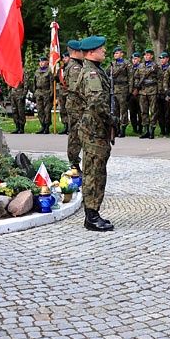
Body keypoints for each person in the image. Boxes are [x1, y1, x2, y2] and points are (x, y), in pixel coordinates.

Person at [74, 35, 116, 232]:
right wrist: (110, 119)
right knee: (94, 172)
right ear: (91, 52)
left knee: (95, 170)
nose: (105, 51)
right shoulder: (92, 74)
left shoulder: (95, 70)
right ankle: (91, 216)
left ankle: (93, 213)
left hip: (94, 128)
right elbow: (97, 102)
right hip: (94, 129)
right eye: (101, 48)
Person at [63, 41, 85, 168]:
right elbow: (76, 88)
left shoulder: (76, 65)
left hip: (77, 104)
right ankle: (74, 163)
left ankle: (74, 162)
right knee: (75, 134)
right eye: (81, 51)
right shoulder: (75, 68)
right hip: (77, 105)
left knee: (76, 133)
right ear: (76, 52)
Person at [133, 49, 160, 139]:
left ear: (151, 56)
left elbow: (160, 78)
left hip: (152, 90)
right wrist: (138, 85)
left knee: (153, 111)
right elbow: (136, 76)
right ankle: (146, 130)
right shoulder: (140, 66)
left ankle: (152, 130)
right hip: (143, 91)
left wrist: (159, 90)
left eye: (148, 55)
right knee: (143, 111)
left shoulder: (155, 66)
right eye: (145, 55)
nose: (146, 57)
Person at [109, 46, 132, 138]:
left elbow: (131, 78)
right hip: (114, 90)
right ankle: (117, 128)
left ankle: (123, 128)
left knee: (123, 110)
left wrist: (130, 91)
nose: (115, 55)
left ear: (122, 54)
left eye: (117, 53)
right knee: (115, 111)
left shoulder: (126, 64)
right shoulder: (111, 65)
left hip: (123, 90)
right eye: (114, 53)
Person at [33, 56, 55, 133]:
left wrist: (52, 93)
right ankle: (42, 125)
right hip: (39, 93)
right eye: (40, 62)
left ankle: (47, 126)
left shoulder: (49, 71)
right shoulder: (37, 72)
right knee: (39, 110)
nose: (41, 63)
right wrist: (34, 92)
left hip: (47, 92)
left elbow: (52, 83)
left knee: (47, 110)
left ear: (47, 62)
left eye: (42, 62)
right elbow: (34, 83)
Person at [157, 52, 170, 138]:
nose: (162, 60)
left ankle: (167, 130)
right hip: (159, 92)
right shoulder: (157, 68)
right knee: (160, 112)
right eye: (161, 58)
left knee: (167, 113)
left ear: (167, 59)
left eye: (163, 58)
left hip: (167, 93)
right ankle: (162, 129)